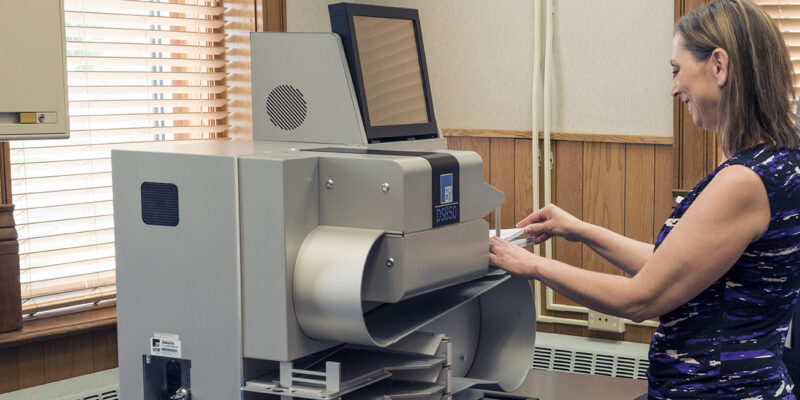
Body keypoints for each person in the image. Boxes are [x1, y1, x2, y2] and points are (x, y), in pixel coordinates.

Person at [489, 0, 800, 398]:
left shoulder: (744, 181)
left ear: (718, 65)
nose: (673, 88)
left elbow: (642, 297)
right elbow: (669, 267)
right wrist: (578, 230)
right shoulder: (778, 161)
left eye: (676, 70)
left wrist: (530, 265)